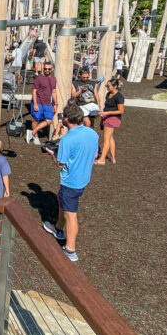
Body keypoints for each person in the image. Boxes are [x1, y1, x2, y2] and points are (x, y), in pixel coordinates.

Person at [42, 104, 99, 262]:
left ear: (66, 119)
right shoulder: (92, 133)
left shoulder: (68, 139)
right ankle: (58, 229)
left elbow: (60, 163)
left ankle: (70, 250)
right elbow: (94, 154)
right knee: (62, 203)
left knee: (71, 215)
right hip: (83, 178)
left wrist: (51, 153)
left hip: (71, 182)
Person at [95, 78, 125, 165]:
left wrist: (107, 112)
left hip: (113, 118)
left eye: (108, 86)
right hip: (106, 117)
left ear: (115, 86)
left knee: (106, 139)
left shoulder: (119, 97)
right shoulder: (109, 94)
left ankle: (102, 159)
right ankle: (113, 158)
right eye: (106, 86)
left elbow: (121, 111)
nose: (107, 87)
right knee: (110, 137)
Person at [26, 62, 57, 145]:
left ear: (52, 69)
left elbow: (54, 92)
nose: (47, 70)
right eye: (45, 68)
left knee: (49, 120)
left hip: (47, 103)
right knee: (36, 119)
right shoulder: (39, 78)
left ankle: (32, 132)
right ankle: (36, 136)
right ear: (43, 69)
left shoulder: (54, 79)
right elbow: (34, 91)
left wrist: (55, 104)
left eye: (49, 69)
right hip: (38, 101)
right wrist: (35, 104)